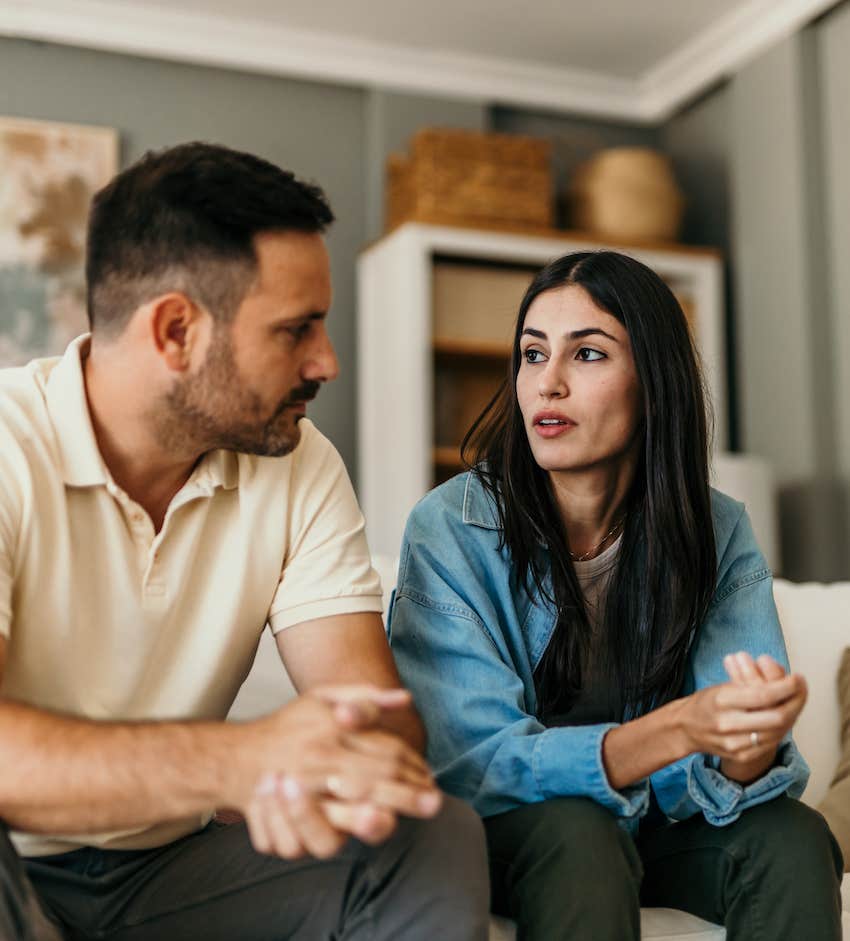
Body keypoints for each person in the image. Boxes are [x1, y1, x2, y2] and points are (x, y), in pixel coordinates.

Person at [0, 142, 489, 941]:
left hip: (172, 872)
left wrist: (335, 769)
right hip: (13, 863)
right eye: (297, 330)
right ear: (175, 331)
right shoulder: (7, 444)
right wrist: (235, 761)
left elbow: (378, 720)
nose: (325, 361)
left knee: (427, 835)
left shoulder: (299, 462)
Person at [387, 250, 843, 940]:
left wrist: (747, 736)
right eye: (532, 355)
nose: (549, 384)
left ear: (652, 381)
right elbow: (474, 764)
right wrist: (677, 729)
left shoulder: (718, 529)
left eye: (589, 355)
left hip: (655, 825)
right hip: (511, 828)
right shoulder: (451, 527)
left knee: (792, 835)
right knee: (580, 830)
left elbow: (729, 772)